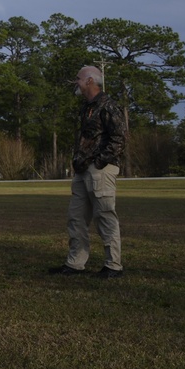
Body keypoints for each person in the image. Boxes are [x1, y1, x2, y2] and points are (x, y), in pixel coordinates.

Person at [50, 65, 127, 279]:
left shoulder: (108, 106)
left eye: (78, 78)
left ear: (90, 81)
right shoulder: (86, 108)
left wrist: (99, 162)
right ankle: (75, 263)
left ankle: (113, 265)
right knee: (76, 218)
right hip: (82, 171)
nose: (76, 82)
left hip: (100, 170)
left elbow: (120, 138)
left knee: (104, 216)